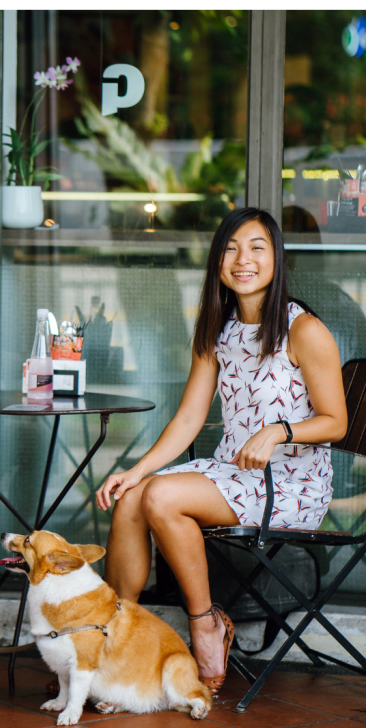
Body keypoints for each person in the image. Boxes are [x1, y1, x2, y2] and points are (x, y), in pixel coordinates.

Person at [96, 207, 347, 693]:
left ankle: (205, 625)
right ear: (217, 262)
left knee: (161, 498)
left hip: (290, 487)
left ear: (277, 258)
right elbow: (189, 419)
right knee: (132, 496)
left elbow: (335, 421)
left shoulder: (304, 330)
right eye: (230, 249)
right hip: (233, 472)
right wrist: (136, 469)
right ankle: (112, 644)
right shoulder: (219, 330)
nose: (242, 259)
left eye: (256, 247)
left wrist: (280, 431)